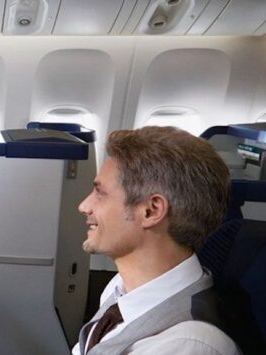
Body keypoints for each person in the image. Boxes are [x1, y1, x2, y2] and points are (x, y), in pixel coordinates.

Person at [72, 126, 240, 354]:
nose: (84, 206)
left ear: (151, 211)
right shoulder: (122, 287)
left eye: (100, 193)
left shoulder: (186, 345)